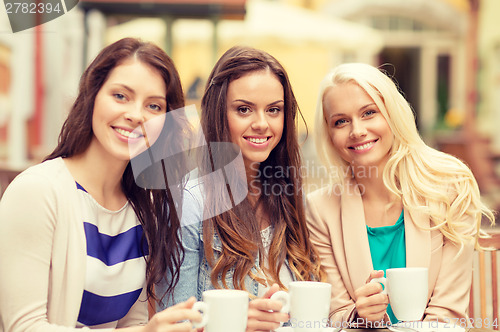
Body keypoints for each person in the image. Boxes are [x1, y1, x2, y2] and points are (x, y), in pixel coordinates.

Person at [0, 37, 202, 331]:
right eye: (121, 96)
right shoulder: (37, 191)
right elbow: (24, 327)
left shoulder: (144, 208)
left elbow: (132, 324)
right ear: (93, 95)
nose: (135, 115)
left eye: (154, 106)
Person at [306, 63, 495, 325]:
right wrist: (359, 316)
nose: (357, 130)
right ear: (330, 134)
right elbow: (337, 313)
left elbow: (446, 314)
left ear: (392, 114)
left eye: (369, 113)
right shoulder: (319, 208)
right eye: (341, 121)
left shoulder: (451, 187)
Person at [157, 46, 324, 332]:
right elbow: (175, 324)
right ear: (218, 114)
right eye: (243, 109)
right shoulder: (188, 203)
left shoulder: (294, 201)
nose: (261, 124)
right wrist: (232, 323)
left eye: (274, 110)